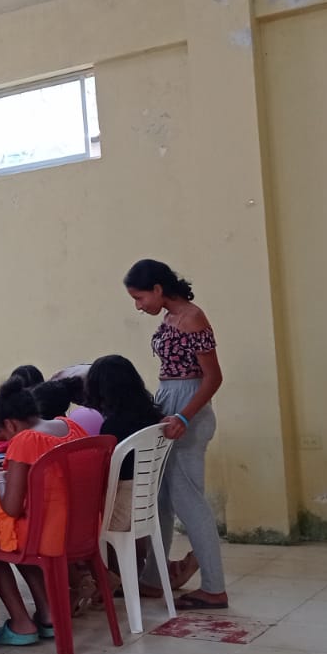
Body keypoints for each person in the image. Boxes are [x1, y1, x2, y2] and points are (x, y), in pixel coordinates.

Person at [124, 259, 227, 610]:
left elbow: (213, 377)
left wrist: (184, 414)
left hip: (188, 410)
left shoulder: (192, 317)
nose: (139, 306)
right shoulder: (170, 317)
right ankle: (154, 578)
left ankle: (214, 588)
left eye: (140, 298)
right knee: (163, 500)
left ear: (157, 289)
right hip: (171, 401)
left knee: (190, 502)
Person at [0, 378, 90, 645]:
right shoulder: (70, 427)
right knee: (12, 531)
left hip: (48, 535)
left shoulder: (25, 440)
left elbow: (12, 508)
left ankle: (21, 623)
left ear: (10, 424)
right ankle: (48, 614)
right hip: (82, 530)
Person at [86, 355, 195, 591]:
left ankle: (103, 578)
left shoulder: (112, 427)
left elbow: (106, 475)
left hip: (121, 511)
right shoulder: (154, 418)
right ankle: (129, 573)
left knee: (75, 517)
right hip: (146, 503)